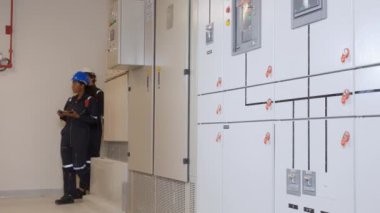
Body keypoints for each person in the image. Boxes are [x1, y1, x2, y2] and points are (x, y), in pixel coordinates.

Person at [55, 71, 99, 205]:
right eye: (72, 83)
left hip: (80, 138)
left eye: (74, 83)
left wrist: (79, 117)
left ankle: (86, 186)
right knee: (67, 166)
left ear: (82, 85)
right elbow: (68, 115)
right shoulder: (70, 100)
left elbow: (95, 120)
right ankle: (68, 194)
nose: (72, 86)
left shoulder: (91, 100)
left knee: (80, 167)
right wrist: (63, 114)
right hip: (67, 136)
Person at [76, 71, 104, 197]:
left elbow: (99, 113)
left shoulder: (98, 93)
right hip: (83, 131)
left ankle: (91, 188)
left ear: (92, 78)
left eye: (87, 77)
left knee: (91, 159)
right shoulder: (83, 95)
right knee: (82, 159)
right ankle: (83, 187)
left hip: (94, 131)